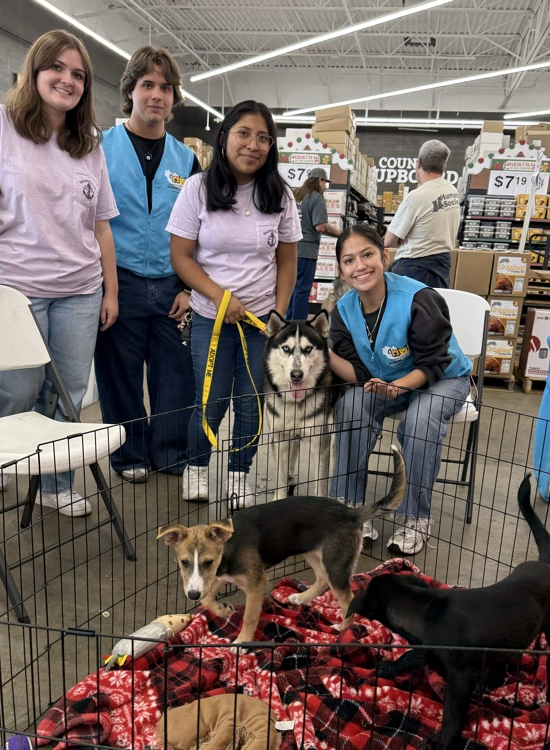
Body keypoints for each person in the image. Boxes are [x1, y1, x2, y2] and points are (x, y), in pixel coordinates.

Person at [0, 29, 119, 517]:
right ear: (35, 70)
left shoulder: (88, 142)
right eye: (58, 68)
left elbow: (102, 228)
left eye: (78, 75)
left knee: (68, 392)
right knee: (16, 386)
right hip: (17, 287)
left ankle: (55, 483)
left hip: (81, 290)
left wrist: (110, 291)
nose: (67, 80)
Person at [168, 100, 301, 506]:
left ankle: (240, 473)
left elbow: (288, 261)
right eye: (244, 133)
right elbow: (181, 258)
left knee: (251, 404)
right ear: (225, 137)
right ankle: (196, 467)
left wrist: (276, 317)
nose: (253, 145)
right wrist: (219, 298)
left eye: (264, 138)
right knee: (209, 402)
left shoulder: (280, 195)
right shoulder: (197, 189)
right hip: (211, 317)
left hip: (259, 322)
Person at [328, 224, 471, 554]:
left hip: (444, 377)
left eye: (367, 255)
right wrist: (325, 354)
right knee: (351, 405)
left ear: (385, 256)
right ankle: (352, 510)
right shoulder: (343, 311)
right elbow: (359, 372)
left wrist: (397, 387)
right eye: (349, 260)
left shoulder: (419, 297)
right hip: (386, 381)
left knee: (419, 421)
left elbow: (436, 362)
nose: (360, 266)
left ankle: (415, 517)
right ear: (341, 270)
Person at [94, 46, 200, 483]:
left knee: (176, 374)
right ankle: (128, 453)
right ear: (131, 92)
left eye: (165, 87)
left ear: (173, 99)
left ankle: (171, 451)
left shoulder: (187, 160)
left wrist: (189, 287)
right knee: (118, 374)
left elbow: (199, 230)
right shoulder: (100, 147)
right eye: (147, 85)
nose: (157, 94)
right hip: (120, 281)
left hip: (173, 283)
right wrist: (105, 286)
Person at [383, 139, 459, 289]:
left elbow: (388, 241)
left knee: (407, 312)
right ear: (444, 166)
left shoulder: (417, 196)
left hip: (413, 269)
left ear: (418, 163)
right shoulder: (452, 192)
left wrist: (402, 236)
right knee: (433, 309)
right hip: (441, 266)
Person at [287, 167, 340, 320]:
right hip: (307, 250)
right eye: (325, 182)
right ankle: (299, 325)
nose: (325, 186)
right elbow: (320, 226)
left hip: (291, 249)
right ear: (320, 181)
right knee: (302, 290)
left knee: (291, 287)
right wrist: (340, 234)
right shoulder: (317, 198)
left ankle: (287, 322)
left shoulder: (297, 196)